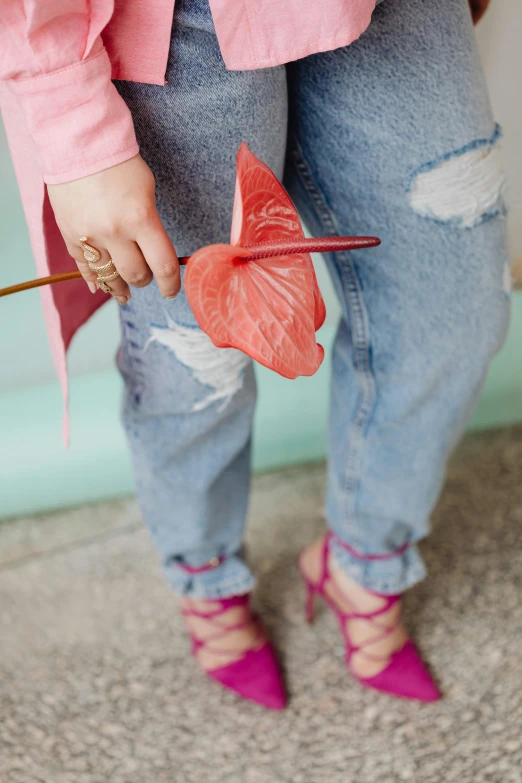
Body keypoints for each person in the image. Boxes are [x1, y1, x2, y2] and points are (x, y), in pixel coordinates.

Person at [0, 0, 508, 708]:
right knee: (193, 361)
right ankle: (205, 573)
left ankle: (365, 557)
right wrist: (69, 114)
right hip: (170, 23)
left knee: (452, 308)